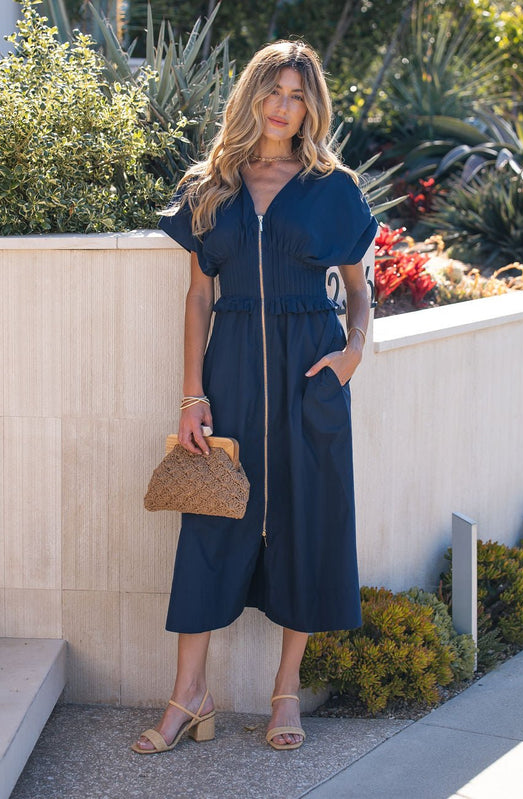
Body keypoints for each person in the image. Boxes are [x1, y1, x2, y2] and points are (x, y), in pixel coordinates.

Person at [131, 38, 377, 755]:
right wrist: (190, 395)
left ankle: (284, 691)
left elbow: (360, 292)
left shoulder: (334, 187)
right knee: (210, 522)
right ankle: (188, 694)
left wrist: (351, 354)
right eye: (272, 90)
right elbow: (198, 295)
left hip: (310, 372)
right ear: (252, 96)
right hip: (230, 369)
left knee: (304, 522)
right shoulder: (212, 184)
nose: (282, 105)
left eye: (297, 94)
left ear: (311, 105)